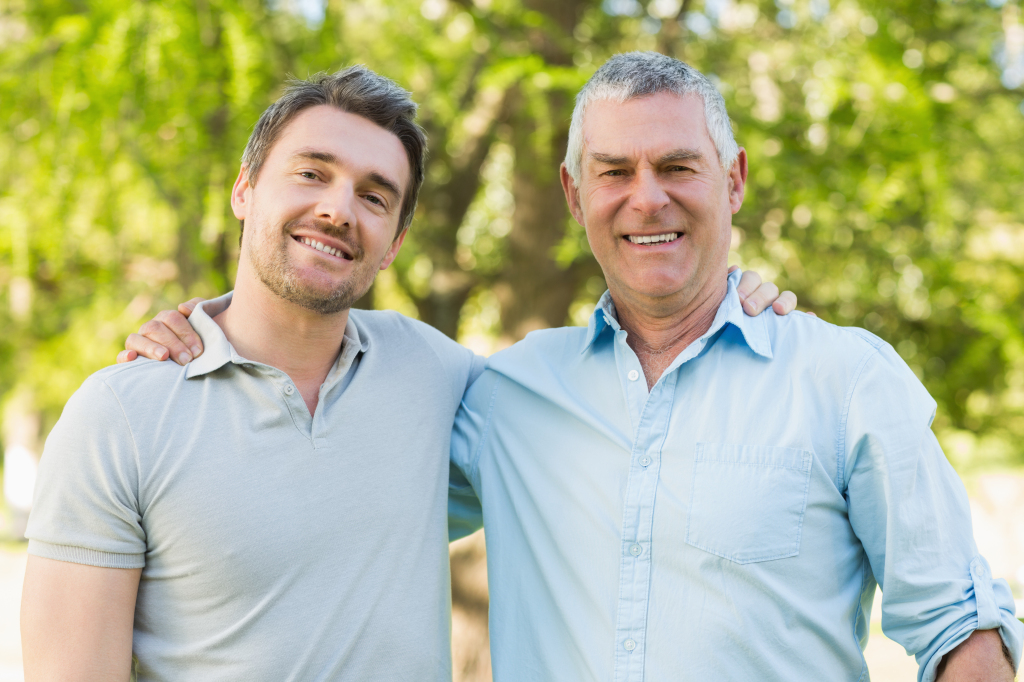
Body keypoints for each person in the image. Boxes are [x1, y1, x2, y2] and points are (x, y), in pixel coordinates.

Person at [124, 53, 1023, 681]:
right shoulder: (505, 395)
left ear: (735, 179)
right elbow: (308, 478)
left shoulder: (846, 380)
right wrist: (204, 335)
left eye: (679, 166)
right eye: (614, 170)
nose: (648, 197)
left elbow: (960, 630)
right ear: (573, 193)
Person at [22, 64, 792, 680]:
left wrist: (733, 299)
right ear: (245, 189)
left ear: (392, 243)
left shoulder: (440, 379)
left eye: (374, 195)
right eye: (311, 174)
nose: (338, 209)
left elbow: (629, 387)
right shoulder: (121, 416)